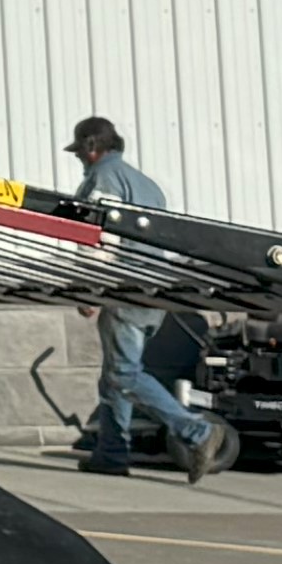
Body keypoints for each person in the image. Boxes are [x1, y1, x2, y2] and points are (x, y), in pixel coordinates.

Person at [67, 114, 231, 480]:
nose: (78, 158)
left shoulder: (104, 178)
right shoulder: (147, 186)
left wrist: (90, 289)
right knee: (115, 375)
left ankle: (197, 432)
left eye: (80, 151)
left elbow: (100, 236)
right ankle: (112, 453)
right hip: (151, 291)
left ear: (93, 147)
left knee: (124, 375)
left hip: (123, 287)